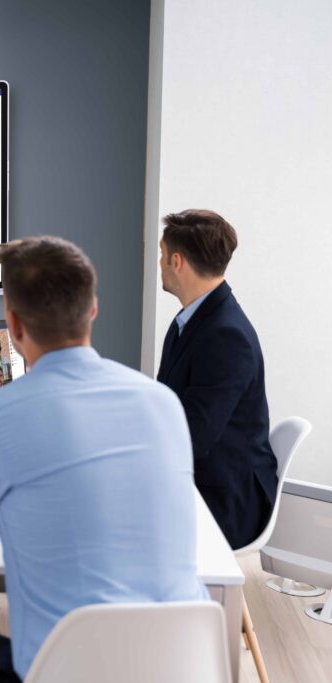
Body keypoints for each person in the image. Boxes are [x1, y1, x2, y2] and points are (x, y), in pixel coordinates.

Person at [0, 237, 206, 682]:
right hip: (186, 664)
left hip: (75, 671)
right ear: (93, 309)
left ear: (13, 325)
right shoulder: (163, 403)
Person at [157, 209, 277, 550]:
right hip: (208, 475)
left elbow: (193, 438)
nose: (160, 263)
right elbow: (167, 408)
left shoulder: (225, 336)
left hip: (226, 496)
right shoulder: (190, 320)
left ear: (177, 261)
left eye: (162, 255)